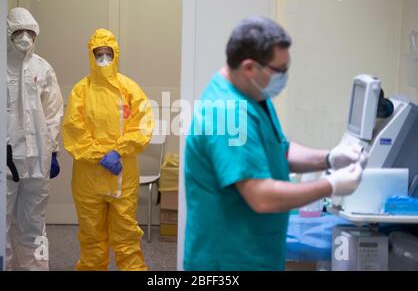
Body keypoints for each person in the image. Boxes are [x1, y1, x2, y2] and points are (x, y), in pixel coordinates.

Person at [183, 17, 368, 271]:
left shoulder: (253, 95)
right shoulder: (227, 113)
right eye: (279, 70)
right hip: (228, 260)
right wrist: (330, 185)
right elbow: (261, 197)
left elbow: (279, 148)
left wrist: (330, 157)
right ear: (249, 68)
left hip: (256, 254)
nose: (284, 76)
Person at [62, 28, 154, 271]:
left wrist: (118, 150)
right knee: (92, 238)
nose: (104, 59)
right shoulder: (81, 90)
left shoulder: (129, 89)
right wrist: (99, 154)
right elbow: (73, 129)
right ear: (91, 56)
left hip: (122, 175)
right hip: (88, 177)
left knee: (126, 237)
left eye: (108, 53)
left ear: (116, 54)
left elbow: (143, 125)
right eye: (98, 54)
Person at [6, 7, 64, 271]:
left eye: (29, 31)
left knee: (35, 223)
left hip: (37, 162)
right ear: (8, 32)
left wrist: (53, 150)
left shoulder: (42, 67)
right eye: (18, 31)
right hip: (4, 164)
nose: (24, 37)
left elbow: (53, 112)